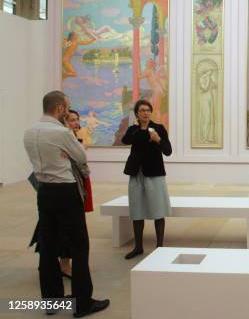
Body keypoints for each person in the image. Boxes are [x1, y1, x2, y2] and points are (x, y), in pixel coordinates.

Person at [23, 91, 109, 317]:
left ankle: (52, 302)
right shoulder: (62, 133)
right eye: (67, 107)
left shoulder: (29, 132)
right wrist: (69, 150)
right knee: (79, 246)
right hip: (66, 191)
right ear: (60, 109)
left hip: (44, 191)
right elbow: (81, 157)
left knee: (48, 246)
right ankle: (82, 303)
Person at [121, 99, 172, 260]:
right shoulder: (133, 130)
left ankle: (160, 246)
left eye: (148, 110)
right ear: (137, 113)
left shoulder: (158, 128)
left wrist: (157, 140)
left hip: (155, 173)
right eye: (142, 110)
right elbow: (125, 140)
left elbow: (168, 151)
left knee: (158, 209)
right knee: (137, 210)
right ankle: (138, 246)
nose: (145, 113)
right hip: (137, 173)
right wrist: (141, 132)